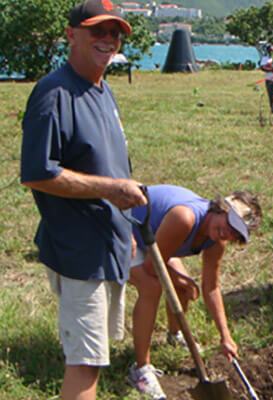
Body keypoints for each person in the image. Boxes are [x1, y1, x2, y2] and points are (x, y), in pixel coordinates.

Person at [19, 1, 147, 399]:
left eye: (115, 33)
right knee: (85, 365)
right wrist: (111, 190)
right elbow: (38, 173)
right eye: (98, 31)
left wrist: (124, 231)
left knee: (96, 355)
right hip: (78, 251)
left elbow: (109, 164)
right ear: (71, 34)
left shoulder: (103, 89)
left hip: (107, 244)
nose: (108, 40)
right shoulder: (53, 92)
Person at [127, 185, 262, 400]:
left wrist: (225, 337)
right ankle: (141, 370)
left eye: (234, 233)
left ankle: (173, 335)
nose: (227, 233)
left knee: (184, 286)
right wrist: (185, 282)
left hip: (154, 239)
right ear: (221, 208)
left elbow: (211, 287)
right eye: (229, 224)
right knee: (152, 286)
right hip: (125, 230)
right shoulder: (185, 218)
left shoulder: (217, 241)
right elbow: (152, 267)